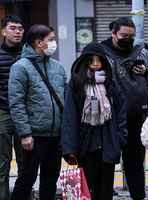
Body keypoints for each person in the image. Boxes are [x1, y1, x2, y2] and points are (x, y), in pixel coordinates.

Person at [100, 17, 148, 200]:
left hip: (136, 117)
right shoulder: (101, 52)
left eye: (131, 36)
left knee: (135, 164)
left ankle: (138, 196)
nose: (128, 39)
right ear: (113, 33)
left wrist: (146, 72)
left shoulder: (141, 52)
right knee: (107, 162)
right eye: (124, 35)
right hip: (109, 118)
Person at [61, 42, 127, 200]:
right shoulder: (76, 84)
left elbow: (121, 112)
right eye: (92, 60)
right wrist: (69, 148)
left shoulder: (111, 84)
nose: (96, 64)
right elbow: (70, 117)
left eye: (99, 60)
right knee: (86, 191)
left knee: (105, 191)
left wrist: (120, 138)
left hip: (107, 143)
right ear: (85, 62)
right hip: (86, 145)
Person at [8, 24, 66, 200]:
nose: (54, 43)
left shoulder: (58, 67)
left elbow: (65, 97)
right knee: (27, 177)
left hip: (55, 135)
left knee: (50, 178)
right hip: (34, 135)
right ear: (39, 43)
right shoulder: (20, 67)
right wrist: (25, 133)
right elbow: (16, 103)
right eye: (51, 40)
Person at [0, 14, 24, 200]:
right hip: (3, 112)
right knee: (2, 162)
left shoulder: (29, 54)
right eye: (13, 28)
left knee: (26, 162)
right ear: (3, 31)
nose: (17, 31)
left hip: (26, 114)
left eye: (20, 28)